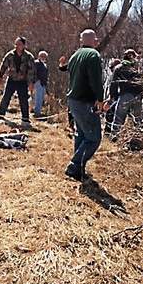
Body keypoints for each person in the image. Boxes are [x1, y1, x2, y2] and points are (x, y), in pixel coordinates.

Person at [60, 29, 105, 181]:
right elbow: (96, 80)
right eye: (96, 39)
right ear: (93, 40)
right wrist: (100, 98)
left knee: (82, 135)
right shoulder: (93, 55)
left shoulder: (75, 55)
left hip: (73, 101)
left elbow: (67, 71)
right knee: (93, 138)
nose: (97, 41)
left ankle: (79, 169)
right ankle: (74, 167)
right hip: (84, 102)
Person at [107, 49, 143, 137]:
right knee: (137, 120)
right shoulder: (139, 69)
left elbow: (114, 84)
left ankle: (114, 137)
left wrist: (113, 97)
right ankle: (139, 138)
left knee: (118, 119)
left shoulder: (119, 68)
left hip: (125, 96)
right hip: (138, 96)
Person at [0, 36, 36, 126]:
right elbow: (3, 66)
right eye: (16, 44)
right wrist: (0, 77)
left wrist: (31, 83)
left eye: (20, 44)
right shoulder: (10, 55)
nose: (17, 46)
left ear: (24, 45)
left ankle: (25, 119)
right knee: (6, 97)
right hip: (12, 80)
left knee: (23, 100)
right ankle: (1, 115)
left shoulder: (29, 57)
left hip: (22, 81)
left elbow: (31, 71)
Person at [104, 58, 121, 134]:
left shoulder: (119, 75)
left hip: (119, 99)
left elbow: (116, 90)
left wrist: (110, 100)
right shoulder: (112, 76)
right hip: (114, 98)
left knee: (110, 114)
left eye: (112, 68)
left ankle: (109, 134)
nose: (111, 70)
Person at [33, 50, 49, 118]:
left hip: (43, 83)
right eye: (42, 56)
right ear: (39, 56)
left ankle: (38, 111)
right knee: (38, 97)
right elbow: (33, 72)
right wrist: (35, 81)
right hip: (38, 82)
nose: (43, 57)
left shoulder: (44, 64)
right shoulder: (36, 63)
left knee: (41, 97)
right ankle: (37, 113)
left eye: (44, 56)